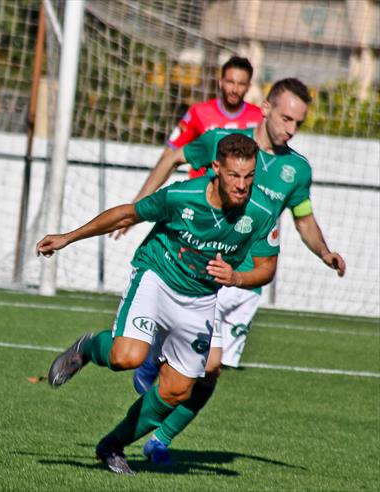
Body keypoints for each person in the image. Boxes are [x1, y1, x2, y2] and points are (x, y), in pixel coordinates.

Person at [126, 78, 346, 465]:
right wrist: (139, 205)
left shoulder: (296, 169)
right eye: (286, 118)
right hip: (206, 269)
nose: (291, 128)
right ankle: (147, 375)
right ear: (265, 107)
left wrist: (324, 252)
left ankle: (159, 439)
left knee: (212, 373)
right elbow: (175, 157)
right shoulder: (224, 142)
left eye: (298, 122)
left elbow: (303, 218)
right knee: (203, 362)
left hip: (248, 281)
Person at [38, 134, 280, 475]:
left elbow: (267, 268)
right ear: (215, 168)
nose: (242, 185)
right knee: (127, 357)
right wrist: (67, 237)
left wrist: (237, 278)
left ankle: (112, 446)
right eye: (234, 175)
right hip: (157, 276)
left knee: (178, 389)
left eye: (249, 176)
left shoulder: (260, 212)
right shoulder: (182, 195)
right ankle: (88, 347)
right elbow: (127, 215)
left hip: (200, 298)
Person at [165, 55, 262, 179]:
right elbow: (169, 153)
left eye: (241, 84)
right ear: (220, 82)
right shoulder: (198, 112)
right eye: (230, 82)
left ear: (249, 87)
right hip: (200, 193)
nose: (235, 89)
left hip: (241, 192)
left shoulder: (259, 118)